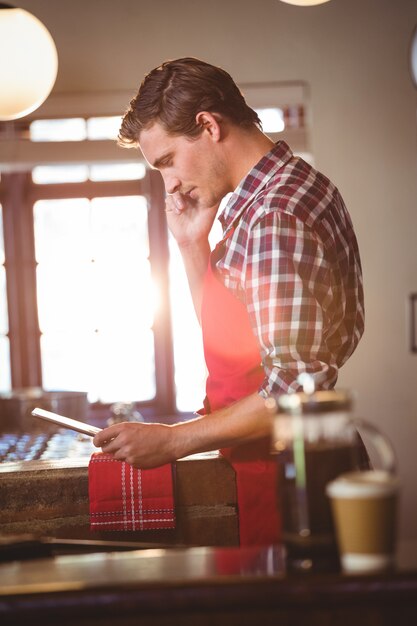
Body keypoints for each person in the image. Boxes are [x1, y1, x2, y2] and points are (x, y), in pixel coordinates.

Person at [93, 57, 364, 544]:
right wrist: (192, 243)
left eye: (167, 161)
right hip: (265, 464)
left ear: (208, 125)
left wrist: (172, 441)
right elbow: (235, 345)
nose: (169, 184)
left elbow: (294, 391)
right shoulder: (273, 196)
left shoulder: (275, 214)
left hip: (287, 477)